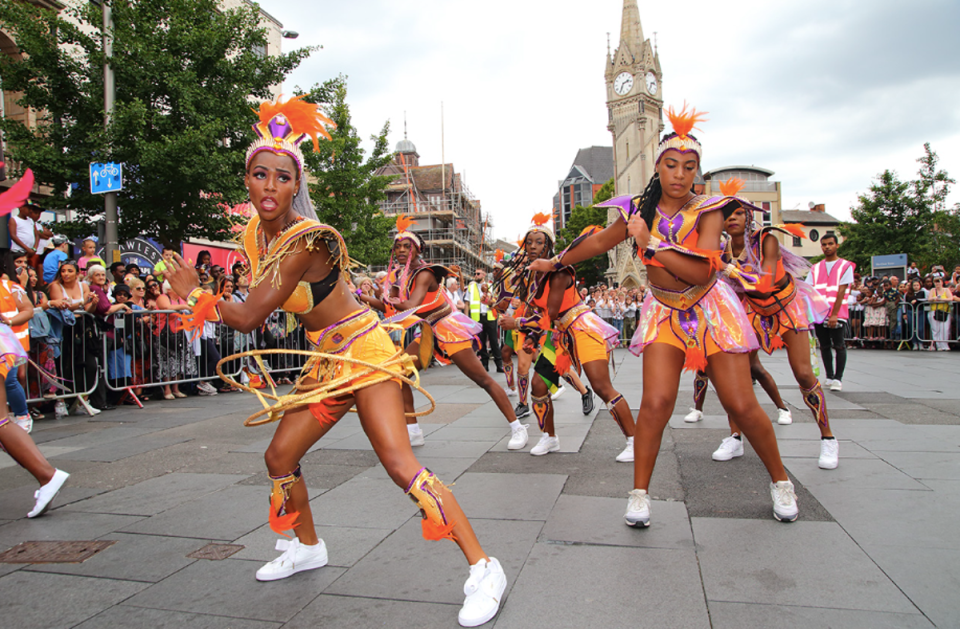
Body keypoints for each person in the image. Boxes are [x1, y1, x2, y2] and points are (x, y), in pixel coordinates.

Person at [162, 97, 506, 625]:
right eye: (260, 175)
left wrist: (194, 297)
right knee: (279, 457)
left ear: (296, 185)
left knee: (399, 464)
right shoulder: (255, 235)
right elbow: (265, 300)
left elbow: (251, 316)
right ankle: (307, 546)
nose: (271, 186)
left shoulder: (308, 239)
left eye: (282, 176)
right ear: (248, 181)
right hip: (326, 358)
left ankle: (484, 567)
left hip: (364, 354)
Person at [529, 104, 798, 525]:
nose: (679, 174)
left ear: (697, 172)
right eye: (671, 164)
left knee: (740, 403)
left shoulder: (709, 210)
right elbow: (599, 242)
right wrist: (557, 260)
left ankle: (781, 480)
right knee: (655, 403)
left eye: (689, 167)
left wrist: (650, 243)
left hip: (710, 308)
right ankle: (639, 494)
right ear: (657, 166)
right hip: (664, 310)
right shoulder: (641, 207)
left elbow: (700, 269)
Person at [362, 215, 525, 452]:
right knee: (397, 373)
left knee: (483, 380)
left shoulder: (425, 273)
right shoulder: (402, 276)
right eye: (397, 246)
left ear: (417, 250)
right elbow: (389, 309)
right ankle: (413, 431)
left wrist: (385, 297)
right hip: (428, 332)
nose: (400, 250)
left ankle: (517, 427)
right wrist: (362, 298)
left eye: (407, 246)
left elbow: (410, 307)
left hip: (448, 330)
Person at [705, 183, 837, 468]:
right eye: (726, 214)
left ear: (748, 217)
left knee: (803, 374)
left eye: (738, 213)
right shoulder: (720, 249)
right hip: (751, 309)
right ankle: (735, 437)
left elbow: (765, 282)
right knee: (736, 373)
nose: (732, 218)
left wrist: (728, 269)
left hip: (786, 307)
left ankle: (828, 439)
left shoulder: (767, 239)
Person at [503, 213, 634, 460]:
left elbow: (550, 312)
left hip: (582, 329)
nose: (532, 246)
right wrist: (531, 337)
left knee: (601, 386)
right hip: (560, 337)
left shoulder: (560, 272)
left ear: (549, 246)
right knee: (539, 385)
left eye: (539, 242)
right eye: (529, 242)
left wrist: (518, 322)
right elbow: (544, 316)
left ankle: (634, 441)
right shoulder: (534, 277)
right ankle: (549, 437)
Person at [807, 234, 854, 391]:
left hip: (837, 312)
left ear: (836, 245)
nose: (827, 247)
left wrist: (834, 314)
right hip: (820, 313)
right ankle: (829, 375)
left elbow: (841, 291)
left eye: (830, 244)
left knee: (839, 345)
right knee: (825, 345)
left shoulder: (845, 266)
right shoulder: (816, 267)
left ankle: (838, 378)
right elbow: (808, 289)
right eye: (824, 244)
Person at [465, 268, 502, 372]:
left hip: (490, 316)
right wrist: (466, 318)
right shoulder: (471, 287)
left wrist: (492, 304)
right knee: (481, 342)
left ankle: (499, 364)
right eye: (475, 274)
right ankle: (484, 364)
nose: (476, 275)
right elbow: (467, 303)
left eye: (478, 274)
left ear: (484, 275)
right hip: (477, 317)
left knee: (494, 341)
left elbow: (497, 300)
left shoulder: (491, 285)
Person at [928, 277, 954, 351]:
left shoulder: (946, 290)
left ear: (942, 282)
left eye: (938, 282)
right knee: (936, 329)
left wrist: (941, 299)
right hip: (934, 311)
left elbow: (950, 298)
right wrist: (934, 298)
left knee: (945, 329)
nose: (937, 284)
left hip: (944, 311)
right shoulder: (932, 290)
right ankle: (938, 345)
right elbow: (929, 299)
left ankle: (945, 344)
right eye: (935, 282)